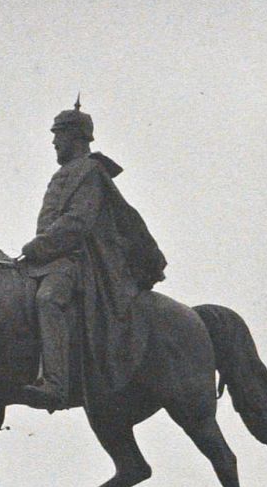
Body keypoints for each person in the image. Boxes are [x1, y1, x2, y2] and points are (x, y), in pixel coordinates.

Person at [16, 101, 167, 412]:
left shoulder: (90, 171)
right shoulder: (65, 173)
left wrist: (37, 247)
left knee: (48, 299)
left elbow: (77, 223)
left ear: (76, 138)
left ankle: (55, 384)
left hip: (79, 262)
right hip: (50, 258)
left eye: (59, 135)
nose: (54, 141)